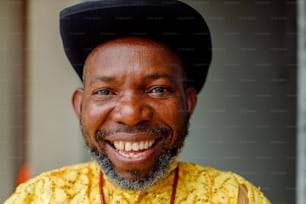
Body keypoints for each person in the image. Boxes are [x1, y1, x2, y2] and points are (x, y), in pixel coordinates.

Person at [5, 0, 271, 203]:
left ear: (188, 102)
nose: (131, 114)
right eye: (106, 92)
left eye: (157, 89)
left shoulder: (233, 197)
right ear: (80, 106)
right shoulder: (39, 197)